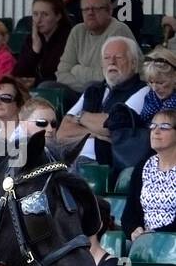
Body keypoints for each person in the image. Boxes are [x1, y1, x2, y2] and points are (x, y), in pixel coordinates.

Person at [52, 36, 145, 171]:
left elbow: (112, 127)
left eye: (119, 57)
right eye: (107, 58)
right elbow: (62, 133)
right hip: (72, 159)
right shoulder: (93, 90)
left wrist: (81, 118)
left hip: (104, 163)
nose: (112, 62)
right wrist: (96, 133)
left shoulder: (142, 90)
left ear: (133, 63)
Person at [54, 0, 136, 93]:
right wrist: (86, 88)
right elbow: (61, 74)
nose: (90, 13)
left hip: (111, 92)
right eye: (86, 9)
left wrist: (76, 70)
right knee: (47, 86)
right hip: (81, 90)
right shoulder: (77, 31)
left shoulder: (118, 30)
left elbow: (108, 77)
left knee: (94, 87)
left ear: (109, 11)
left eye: (96, 9)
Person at [121, 109, 176, 240]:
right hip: (146, 244)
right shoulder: (143, 167)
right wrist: (134, 230)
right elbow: (129, 214)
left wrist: (155, 235)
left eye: (164, 127)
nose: (156, 132)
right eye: (153, 126)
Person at [12, 0, 72, 88]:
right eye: (35, 14)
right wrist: (35, 50)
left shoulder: (68, 38)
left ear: (58, 16)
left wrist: (35, 82)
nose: (38, 20)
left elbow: (59, 74)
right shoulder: (32, 38)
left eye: (45, 14)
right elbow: (18, 74)